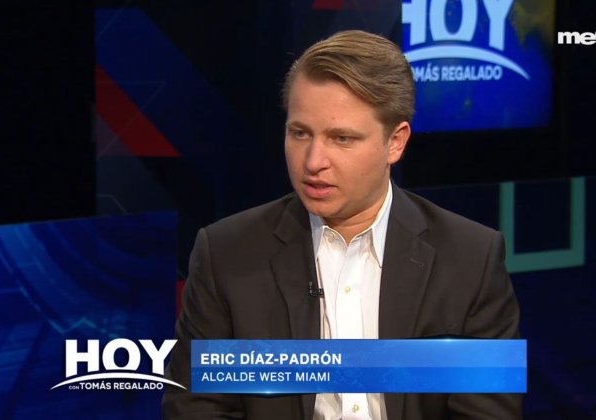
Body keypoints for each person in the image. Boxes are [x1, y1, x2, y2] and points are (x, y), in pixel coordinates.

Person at [163, 30, 521, 419]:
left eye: (342, 138)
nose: (313, 161)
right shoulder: (226, 255)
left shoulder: (471, 259)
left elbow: (488, 413)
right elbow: (197, 410)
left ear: (396, 142)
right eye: (300, 133)